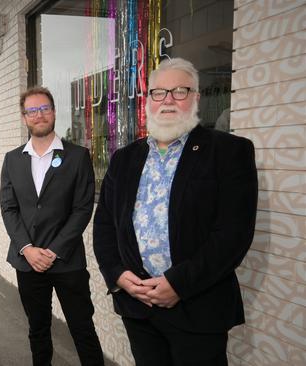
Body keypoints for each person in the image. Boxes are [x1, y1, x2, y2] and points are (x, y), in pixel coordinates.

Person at [93, 58, 258, 366]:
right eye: (158, 92)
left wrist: (178, 284)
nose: (168, 99)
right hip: (137, 305)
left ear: (196, 97)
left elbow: (233, 235)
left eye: (179, 91)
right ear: (148, 101)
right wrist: (117, 276)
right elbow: (104, 225)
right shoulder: (124, 159)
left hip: (197, 306)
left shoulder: (228, 151)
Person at [0, 86, 104, 366]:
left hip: (67, 261)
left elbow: (82, 209)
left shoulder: (77, 156)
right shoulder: (12, 160)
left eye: (44, 108)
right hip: (28, 262)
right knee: (38, 330)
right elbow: (9, 209)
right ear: (24, 117)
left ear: (54, 112)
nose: (39, 115)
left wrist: (54, 249)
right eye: (32, 111)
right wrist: (27, 249)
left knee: (82, 329)